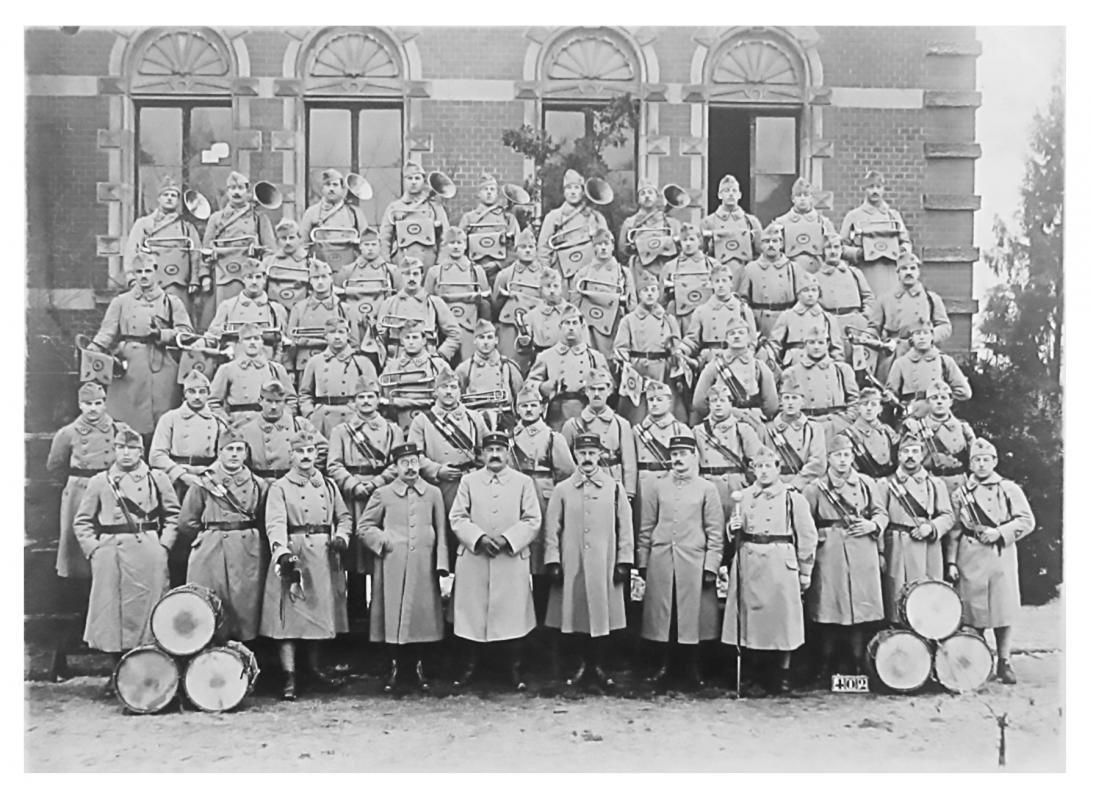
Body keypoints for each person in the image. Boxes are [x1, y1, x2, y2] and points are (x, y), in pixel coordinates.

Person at [72, 425, 179, 674]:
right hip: (111, 553)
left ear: (141, 451)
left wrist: (163, 545)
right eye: (121, 448)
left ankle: (148, 671)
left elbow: (174, 515)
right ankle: (117, 673)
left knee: (149, 612)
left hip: (147, 550)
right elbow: (82, 521)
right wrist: (94, 548)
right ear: (114, 450)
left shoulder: (157, 478)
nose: (126, 454)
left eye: (132, 448)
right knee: (112, 616)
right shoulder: (100, 481)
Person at [259, 429, 353, 701]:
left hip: (323, 555)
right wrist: (282, 553)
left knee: (319, 614)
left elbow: (344, 517)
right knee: (289, 618)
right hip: (295, 553)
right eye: (300, 452)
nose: (306, 457)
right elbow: (274, 524)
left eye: (310, 451)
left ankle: (314, 669)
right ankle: (289, 676)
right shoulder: (280, 488)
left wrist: (341, 537)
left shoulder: (327, 485)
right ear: (291, 456)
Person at [449, 431, 543, 690]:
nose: (494, 455)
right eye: (489, 450)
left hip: (509, 558)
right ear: (481, 454)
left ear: (507, 453)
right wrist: (478, 538)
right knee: (473, 614)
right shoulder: (469, 481)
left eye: (500, 450)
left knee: (510, 614)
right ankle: (471, 667)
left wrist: (507, 539)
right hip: (475, 557)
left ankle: (511, 669)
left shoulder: (523, 482)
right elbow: (457, 517)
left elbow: (532, 519)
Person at [723, 445, 818, 695]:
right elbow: (733, 533)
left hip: (779, 562)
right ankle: (754, 672)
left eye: (768, 466)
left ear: (778, 469)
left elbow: (807, 536)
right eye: (759, 467)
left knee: (782, 621)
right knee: (750, 619)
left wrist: (805, 569)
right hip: (750, 560)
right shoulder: (743, 497)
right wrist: (732, 528)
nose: (763, 472)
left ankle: (782, 673)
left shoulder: (792, 498)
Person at [543, 432, 634, 689]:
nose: (587, 459)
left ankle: (599, 666)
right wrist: (553, 560)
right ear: (575, 455)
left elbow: (625, 528)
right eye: (582, 454)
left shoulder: (614, 489)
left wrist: (624, 561)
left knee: (602, 615)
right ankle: (578, 665)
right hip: (573, 562)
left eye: (592, 454)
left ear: (600, 456)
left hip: (604, 562)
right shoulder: (563, 490)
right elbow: (552, 528)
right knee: (574, 614)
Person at [359, 442, 449, 692]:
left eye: (414, 462)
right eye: (404, 463)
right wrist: (384, 540)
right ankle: (395, 667)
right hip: (392, 564)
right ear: (395, 467)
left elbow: (441, 529)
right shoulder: (383, 493)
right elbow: (364, 527)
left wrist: (441, 563)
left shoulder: (433, 493)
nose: (410, 468)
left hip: (423, 563)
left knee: (423, 616)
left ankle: (419, 667)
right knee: (393, 614)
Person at [637, 434, 724, 689]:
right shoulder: (657, 486)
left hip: (694, 560)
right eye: (674, 455)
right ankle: (663, 667)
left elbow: (715, 532)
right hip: (662, 559)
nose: (678, 460)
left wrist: (711, 566)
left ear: (695, 456)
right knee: (664, 616)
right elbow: (646, 526)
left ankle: (692, 669)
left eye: (683, 454)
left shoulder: (707, 489)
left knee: (692, 617)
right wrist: (643, 561)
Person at [947, 438, 1036, 684]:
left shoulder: (1008, 489)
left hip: (999, 554)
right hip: (970, 554)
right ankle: (979, 658)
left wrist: (1000, 533)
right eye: (977, 460)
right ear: (971, 463)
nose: (982, 464)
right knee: (973, 611)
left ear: (995, 461)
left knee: (1002, 610)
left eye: (987, 460)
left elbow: (1026, 521)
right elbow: (954, 531)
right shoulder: (960, 494)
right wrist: (951, 562)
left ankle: (1004, 661)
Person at [803, 433, 887, 680]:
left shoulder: (866, 483)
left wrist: (873, 526)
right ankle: (825, 665)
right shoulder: (815, 488)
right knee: (829, 609)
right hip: (829, 552)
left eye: (847, 455)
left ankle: (858, 665)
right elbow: (805, 523)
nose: (842, 461)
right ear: (828, 459)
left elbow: (881, 513)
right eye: (837, 455)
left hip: (862, 549)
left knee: (860, 610)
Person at [85, 257, 194, 436]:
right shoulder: (121, 302)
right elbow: (107, 332)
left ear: (156, 271)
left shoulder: (171, 302)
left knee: (163, 415)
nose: (144, 276)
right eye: (139, 272)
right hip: (130, 364)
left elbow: (187, 333)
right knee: (128, 416)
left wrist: (163, 334)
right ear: (134, 274)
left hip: (161, 363)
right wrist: (91, 350)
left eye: (148, 271)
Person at [177, 428, 266, 643]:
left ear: (246, 453)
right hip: (212, 547)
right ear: (219, 452)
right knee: (209, 601)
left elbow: (263, 518)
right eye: (229, 449)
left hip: (247, 549)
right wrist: (208, 537)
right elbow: (187, 521)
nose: (234, 454)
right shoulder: (204, 482)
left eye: (239, 449)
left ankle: (244, 655)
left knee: (245, 603)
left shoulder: (258, 484)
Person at [327, 376, 404, 622]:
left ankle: (381, 617)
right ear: (353, 402)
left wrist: (375, 484)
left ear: (378, 400)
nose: (366, 402)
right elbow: (334, 465)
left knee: (379, 554)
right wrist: (352, 484)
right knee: (354, 558)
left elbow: (397, 464)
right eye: (361, 397)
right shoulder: (341, 431)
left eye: (370, 396)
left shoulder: (392, 430)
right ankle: (356, 616)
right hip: (353, 497)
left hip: (381, 497)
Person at [510, 384, 577, 622]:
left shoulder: (553, 437)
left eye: (533, 405)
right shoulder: (511, 439)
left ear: (542, 407)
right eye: (523, 406)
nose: (528, 410)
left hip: (544, 497)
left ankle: (543, 617)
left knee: (542, 555)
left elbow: (567, 473)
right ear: (516, 409)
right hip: (517, 498)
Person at [878, 432, 955, 623]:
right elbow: (879, 517)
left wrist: (931, 527)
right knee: (896, 596)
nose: (910, 456)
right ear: (899, 456)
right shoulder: (886, 484)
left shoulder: (935, 484)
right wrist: (880, 552)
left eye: (915, 451)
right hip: (896, 546)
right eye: (906, 451)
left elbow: (948, 516)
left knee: (927, 597)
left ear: (922, 455)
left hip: (927, 549)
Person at [47, 382, 119, 582]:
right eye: (88, 404)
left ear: (105, 404)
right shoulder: (68, 432)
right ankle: (80, 588)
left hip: (109, 488)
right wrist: (75, 483)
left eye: (98, 403)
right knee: (77, 543)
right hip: (80, 490)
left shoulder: (118, 429)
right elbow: (55, 465)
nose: (93, 408)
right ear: (80, 405)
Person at [409, 366, 489, 530]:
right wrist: (437, 470)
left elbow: (486, 450)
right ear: (435, 391)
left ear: (460, 391)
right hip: (441, 485)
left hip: (470, 482)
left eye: (453, 387)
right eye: (444, 387)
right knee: (444, 530)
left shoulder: (474, 418)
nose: (448, 392)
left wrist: (478, 473)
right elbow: (414, 457)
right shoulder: (422, 421)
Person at [202, 171, 276, 327]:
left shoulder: (258, 218)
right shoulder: (216, 218)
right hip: (222, 274)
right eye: (232, 188)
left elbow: (271, 250)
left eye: (241, 188)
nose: (236, 192)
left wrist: (263, 273)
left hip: (251, 277)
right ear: (227, 192)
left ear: (248, 192)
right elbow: (205, 251)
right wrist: (204, 276)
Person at [123, 176, 203, 314]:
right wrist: (131, 278)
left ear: (178, 201)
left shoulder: (187, 227)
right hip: (151, 283)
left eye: (173, 195)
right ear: (159, 198)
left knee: (179, 319)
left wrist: (195, 279)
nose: (169, 198)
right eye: (166, 195)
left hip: (179, 284)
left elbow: (196, 254)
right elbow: (132, 251)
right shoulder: (144, 224)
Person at [613, 271, 684, 424]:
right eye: (645, 290)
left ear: (658, 292)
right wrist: (628, 366)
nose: (650, 294)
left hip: (662, 370)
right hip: (639, 370)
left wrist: (675, 356)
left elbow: (677, 346)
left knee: (665, 410)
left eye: (653, 290)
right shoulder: (629, 320)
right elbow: (620, 348)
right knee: (637, 415)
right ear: (639, 294)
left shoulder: (668, 319)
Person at [868, 250, 952, 379]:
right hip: (893, 354)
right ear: (898, 273)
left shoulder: (931, 299)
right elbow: (873, 327)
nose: (908, 272)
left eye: (912, 268)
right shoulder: (884, 299)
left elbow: (945, 327)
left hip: (924, 353)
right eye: (904, 269)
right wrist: (869, 339)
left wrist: (928, 338)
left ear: (918, 272)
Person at [560, 368, 638, 501]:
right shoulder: (572, 426)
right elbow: (564, 462)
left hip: (613, 481)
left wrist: (628, 493)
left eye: (601, 389)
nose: (596, 394)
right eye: (592, 389)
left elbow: (629, 462)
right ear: (586, 391)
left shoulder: (621, 424)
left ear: (609, 391)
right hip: (584, 483)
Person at [526, 305, 609, 430]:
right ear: (560, 327)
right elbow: (528, 385)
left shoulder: (595, 357)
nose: (571, 328)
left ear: (581, 327)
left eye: (574, 323)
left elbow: (610, 385)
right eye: (567, 323)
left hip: (587, 411)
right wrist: (543, 387)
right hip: (557, 413)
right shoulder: (546, 356)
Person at [149, 369, 226, 501]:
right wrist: (182, 475)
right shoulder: (170, 418)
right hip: (176, 478)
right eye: (192, 392)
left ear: (208, 394)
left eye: (202, 392)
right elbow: (156, 456)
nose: (197, 397)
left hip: (207, 478)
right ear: (185, 395)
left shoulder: (218, 421)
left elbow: (224, 455)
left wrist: (208, 475)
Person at [693, 382, 764, 522]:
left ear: (730, 403)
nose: (718, 404)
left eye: (723, 400)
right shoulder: (698, 431)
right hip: (708, 484)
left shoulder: (742, 429)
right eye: (714, 401)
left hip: (735, 486)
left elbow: (759, 458)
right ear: (709, 404)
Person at [691, 316, 778, 428]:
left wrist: (755, 416)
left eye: (741, 333)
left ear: (749, 338)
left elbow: (771, 404)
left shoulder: (758, 366)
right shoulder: (715, 365)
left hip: (751, 421)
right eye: (732, 334)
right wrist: (718, 414)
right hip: (722, 424)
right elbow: (699, 402)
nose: (736, 336)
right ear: (726, 339)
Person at [298, 317, 379, 436]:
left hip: (353, 416)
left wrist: (364, 415)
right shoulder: (315, 362)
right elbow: (304, 393)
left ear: (348, 335)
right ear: (325, 336)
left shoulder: (361, 362)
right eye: (332, 332)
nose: (337, 337)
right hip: (323, 418)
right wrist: (310, 414)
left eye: (341, 332)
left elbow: (375, 392)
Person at [237, 379, 327, 488]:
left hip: (293, 485)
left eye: (278, 401)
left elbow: (323, 449)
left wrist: (306, 472)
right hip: (259, 487)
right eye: (269, 401)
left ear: (284, 402)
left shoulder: (299, 424)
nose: (274, 406)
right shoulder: (247, 428)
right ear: (260, 401)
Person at [778, 324, 859, 441]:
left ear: (828, 344)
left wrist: (845, 420)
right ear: (805, 345)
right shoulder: (791, 372)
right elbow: (784, 404)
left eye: (820, 343)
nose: (816, 347)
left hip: (836, 426)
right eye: (812, 343)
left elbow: (854, 401)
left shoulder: (842, 369)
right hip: (805, 426)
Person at [374, 257, 461, 363]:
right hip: (396, 362)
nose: (411, 278)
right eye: (406, 274)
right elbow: (379, 338)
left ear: (422, 276)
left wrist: (439, 357)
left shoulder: (434, 303)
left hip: (427, 362)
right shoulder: (389, 303)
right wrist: (385, 361)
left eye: (415, 274)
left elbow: (455, 334)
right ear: (401, 276)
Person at [208, 322, 296, 428]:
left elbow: (291, 400)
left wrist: (282, 418)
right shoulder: (227, 369)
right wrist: (227, 421)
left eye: (257, 339)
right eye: (248, 339)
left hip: (270, 425)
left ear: (262, 342)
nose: (252, 343)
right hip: (239, 425)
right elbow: (213, 402)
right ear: (240, 342)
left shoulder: (276, 369)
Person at [839, 170, 911, 297]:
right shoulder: (854, 216)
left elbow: (906, 242)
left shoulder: (893, 216)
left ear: (884, 189)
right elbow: (841, 247)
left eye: (878, 187)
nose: (875, 191)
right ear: (864, 189)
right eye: (871, 187)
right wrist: (857, 253)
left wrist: (901, 250)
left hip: (891, 275)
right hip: (865, 275)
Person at [340, 226, 401, 372]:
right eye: (366, 245)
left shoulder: (391, 271)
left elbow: (399, 298)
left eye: (373, 244)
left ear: (380, 246)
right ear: (360, 246)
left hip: (380, 327)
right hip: (356, 326)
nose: (370, 249)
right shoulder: (348, 270)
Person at [425, 227, 491, 362]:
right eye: (452, 243)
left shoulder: (476, 271)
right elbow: (426, 303)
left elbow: (485, 302)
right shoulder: (435, 272)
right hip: (443, 328)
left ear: (466, 245)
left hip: (470, 326)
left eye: (459, 243)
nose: (456, 247)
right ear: (445, 245)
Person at [538, 168, 609, 291]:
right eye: (569, 188)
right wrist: (547, 273)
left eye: (576, 188)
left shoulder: (596, 217)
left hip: (588, 270)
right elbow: (543, 248)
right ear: (564, 192)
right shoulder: (554, 217)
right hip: (561, 271)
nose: (573, 192)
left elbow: (606, 246)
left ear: (583, 191)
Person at [204, 259, 288, 362]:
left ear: (264, 279)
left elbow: (283, 343)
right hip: (235, 362)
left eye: (258, 277)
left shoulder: (276, 309)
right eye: (249, 277)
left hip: (267, 362)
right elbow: (212, 338)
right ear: (243, 279)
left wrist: (276, 363)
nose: (254, 282)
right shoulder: (228, 306)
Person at [903, 378, 976, 495]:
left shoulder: (963, 427)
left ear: (951, 401)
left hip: (960, 485)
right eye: (934, 398)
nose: (939, 402)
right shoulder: (918, 427)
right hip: (930, 486)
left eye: (943, 398)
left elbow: (975, 457)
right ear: (928, 402)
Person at [736, 223, 806, 341]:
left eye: (775, 241)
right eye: (766, 241)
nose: (771, 245)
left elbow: (802, 298)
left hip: (786, 319)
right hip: (761, 322)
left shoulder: (793, 268)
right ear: (761, 245)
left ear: (781, 244)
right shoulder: (751, 269)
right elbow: (743, 299)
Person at [572, 228, 635, 359]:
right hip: (591, 329)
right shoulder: (583, 274)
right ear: (593, 248)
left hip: (615, 325)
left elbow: (632, 304)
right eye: (599, 244)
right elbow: (574, 307)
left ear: (612, 246)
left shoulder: (623, 273)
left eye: (606, 244)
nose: (603, 248)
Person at [285, 259, 351, 384]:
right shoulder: (299, 308)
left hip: (337, 363)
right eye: (315, 278)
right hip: (304, 364)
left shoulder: (343, 308)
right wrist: (289, 369)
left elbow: (353, 342)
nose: (320, 282)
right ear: (310, 281)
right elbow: (290, 343)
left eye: (324, 277)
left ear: (331, 278)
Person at [681, 261, 758, 366]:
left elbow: (752, 341)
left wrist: (746, 358)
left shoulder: (742, 310)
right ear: (711, 284)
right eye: (717, 281)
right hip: (710, 360)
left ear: (731, 283)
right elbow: (693, 340)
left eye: (724, 281)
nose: (721, 285)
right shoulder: (701, 311)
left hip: (736, 360)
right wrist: (681, 351)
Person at [379, 320, 451, 430]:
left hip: (433, 422)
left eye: (415, 337)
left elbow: (450, 395)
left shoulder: (438, 365)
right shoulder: (392, 367)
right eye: (407, 338)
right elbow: (384, 398)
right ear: (402, 341)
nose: (411, 342)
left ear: (424, 340)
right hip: (400, 422)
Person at [454, 320, 524, 432]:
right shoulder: (464, 369)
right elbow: (457, 398)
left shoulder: (508, 367)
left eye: (489, 337)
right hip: (475, 421)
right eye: (481, 338)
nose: (485, 342)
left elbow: (521, 396)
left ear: (496, 340)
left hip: (504, 420)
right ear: (475, 340)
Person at [886, 316, 972, 406]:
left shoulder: (944, 361)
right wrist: (889, 397)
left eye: (926, 333)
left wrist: (943, 398)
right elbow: (891, 394)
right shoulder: (900, 363)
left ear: (932, 337)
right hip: (911, 412)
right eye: (918, 334)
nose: (922, 337)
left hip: (937, 411)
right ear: (911, 338)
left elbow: (965, 392)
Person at [762, 372, 827, 491]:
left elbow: (818, 463)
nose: (790, 402)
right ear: (781, 402)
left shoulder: (814, 428)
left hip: (805, 484)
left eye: (795, 398)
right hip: (774, 485)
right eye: (786, 398)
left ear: (802, 401)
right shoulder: (768, 429)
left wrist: (796, 484)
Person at [633, 381, 692, 509]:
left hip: (673, 482)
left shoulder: (681, 429)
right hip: (644, 485)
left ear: (669, 402)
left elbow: (692, 463)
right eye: (651, 400)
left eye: (659, 399)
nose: (654, 403)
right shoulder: (637, 432)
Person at [492, 227, 544, 372]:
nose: (527, 250)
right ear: (516, 250)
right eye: (523, 247)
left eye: (531, 247)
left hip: (538, 325)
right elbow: (495, 305)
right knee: (509, 364)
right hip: (510, 324)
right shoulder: (504, 275)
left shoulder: (546, 274)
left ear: (536, 250)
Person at [380, 161, 450, 269]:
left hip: (429, 262)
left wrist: (440, 263)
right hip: (401, 260)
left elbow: (445, 235)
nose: (413, 182)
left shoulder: (434, 208)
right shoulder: (394, 208)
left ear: (423, 181)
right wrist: (387, 263)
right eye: (409, 178)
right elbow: (385, 237)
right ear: (403, 181)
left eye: (417, 178)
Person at [299, 168, 367, 277]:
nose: (331, 189)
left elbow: (367, 241)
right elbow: (302, 245)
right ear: (322, 188)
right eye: (327, 185)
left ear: (342, 188)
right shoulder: (311, 213)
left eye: (335, 185)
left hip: (349, 270)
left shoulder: (354, 213)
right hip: (320, 271)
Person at [768, 273, 845, 369]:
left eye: (814, 290)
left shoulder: (827, 318)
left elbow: (837, 348)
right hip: (795, 362)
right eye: (805, 290)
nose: (810, 294)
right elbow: (775, 344)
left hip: (821, 363)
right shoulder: (787, 316)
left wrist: (836, 367)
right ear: (798, 294)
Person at [459, 173, 521, 287]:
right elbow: (458, 245)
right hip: (474, 271)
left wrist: (499, 264)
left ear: (497, 194)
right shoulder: (469, 218)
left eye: (492, 189)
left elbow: (517, 246)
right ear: (478, 193)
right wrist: (471, 266)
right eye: (485, 189)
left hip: (502, 272)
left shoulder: (508, 218)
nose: (489, 192)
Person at [618, 178, 681, 290]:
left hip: (664, 267)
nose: (647, 196)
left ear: (657, 197)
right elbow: (622, 251)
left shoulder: (670, 222)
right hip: (639, 270)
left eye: (650, 192)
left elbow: (680, 247)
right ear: (638, 199)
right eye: (643, 193)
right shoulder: (630, 223)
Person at [699, 174, 761, 284]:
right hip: (717, 276)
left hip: (745, 275)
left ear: (740, 195)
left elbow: (760, 251)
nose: (731, 194)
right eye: (726, 191)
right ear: (719, 195)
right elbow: (702, 252)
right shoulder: (708, 222)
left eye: (734, 191)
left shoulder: (751, 222)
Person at [773, 178, 837, 276]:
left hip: (818, 273)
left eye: (806, 195)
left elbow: (835, 249)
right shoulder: (781, 222)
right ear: (793, 198)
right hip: (789, 274)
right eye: (798, 195)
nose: (802, 198)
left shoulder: (823, 223)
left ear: (811, 198)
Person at [661, 223, 715, 337]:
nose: (688, 243)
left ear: (699, 241)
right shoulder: (670, 267)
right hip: (680, 319)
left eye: (692, 239)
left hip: (707, 318)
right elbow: (661, 300)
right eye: (684, 240)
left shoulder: (712, 265)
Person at [520, 267, 582, 361]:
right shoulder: (531, 315)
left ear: (561, 288)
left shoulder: (572, 311)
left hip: (568, 359)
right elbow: (523, 350)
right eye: (548, 286)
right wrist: (524, 343)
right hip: (540, 360)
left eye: (556, 286)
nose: (552, 290)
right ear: (541, 289)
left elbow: (584, 341)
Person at [844, 387, 899, 479]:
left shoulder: (887, 430)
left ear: (880, 409)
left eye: (873, 404)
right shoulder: (850, 434)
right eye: (864, 404)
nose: (869, 408)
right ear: (858, 408)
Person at [264, 219, 312, 314]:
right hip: (274, 311)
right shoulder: (268, 262)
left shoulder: (310, 263)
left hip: (302, 311)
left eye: (291, 238)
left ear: (299, 238)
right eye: (283, 238)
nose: (288, 242)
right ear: (277, 241)